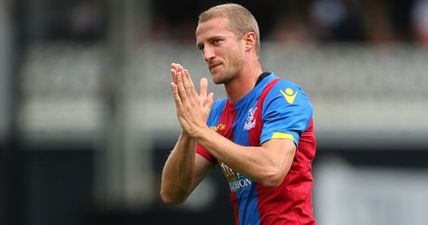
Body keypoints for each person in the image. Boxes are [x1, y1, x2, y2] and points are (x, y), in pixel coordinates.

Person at [160, 3, 316, 225]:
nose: (207, 54)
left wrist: (200, 131)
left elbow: (272, 169)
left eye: (216, 42)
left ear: (248, 41)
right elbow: (172, 193)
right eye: (201, 47)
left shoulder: (282, 96)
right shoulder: (215, 114)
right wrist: (188, 132)